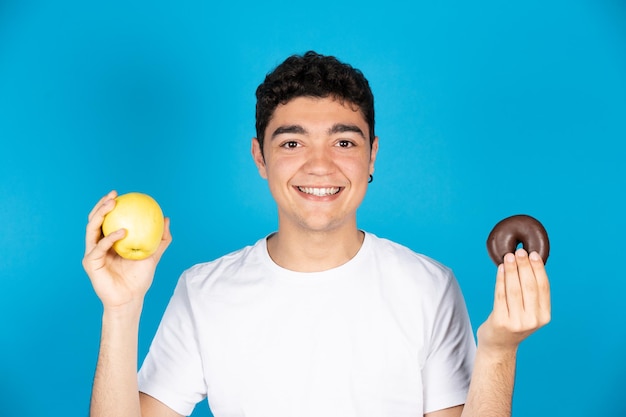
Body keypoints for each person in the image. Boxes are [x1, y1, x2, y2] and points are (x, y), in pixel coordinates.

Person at [83, 51, 551, 417]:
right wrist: (120, 311)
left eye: (344, 142)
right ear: (259, 157)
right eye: (292, 142)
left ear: (372, 157)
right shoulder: (203, 291)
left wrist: (498, 352)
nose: (321, 165)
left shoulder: (429, 286)